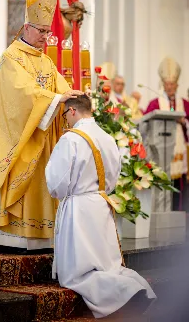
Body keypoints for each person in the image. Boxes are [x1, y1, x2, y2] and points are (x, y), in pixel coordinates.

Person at [0, 0, 82, 252]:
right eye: (41, 31)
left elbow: (59, 88)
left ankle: (42, 239)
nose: (45, 38)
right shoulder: (10, 58)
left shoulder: (46, 61)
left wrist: (71, 97)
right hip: (19, 141)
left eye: (48, 32)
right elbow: (21, 96)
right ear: (26, 27)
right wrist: (54, 99)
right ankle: (12, 239)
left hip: (43, 140)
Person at [45, 94, 156, 319]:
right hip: (101, 204)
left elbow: (57, 183)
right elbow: (113, 178)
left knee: (78, 273)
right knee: (106, 265)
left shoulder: (71, 139)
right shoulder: (107, 137)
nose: (65, 120)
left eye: (65, 114)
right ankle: (134, 285)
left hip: (79, 209)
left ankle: (125, 291)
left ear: (73, 111)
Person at [145, 57, 189, 211]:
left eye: (172, 84)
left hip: (179, 152)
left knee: (178, 187)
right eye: (167, 84)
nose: (170, 87)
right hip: (160, 152)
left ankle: (178, 215)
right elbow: (146, 125)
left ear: (177, 85)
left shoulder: (185, 104)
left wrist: (184, 122)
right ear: (163, 84)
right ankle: (160, 215)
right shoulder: (154, 104)